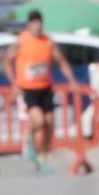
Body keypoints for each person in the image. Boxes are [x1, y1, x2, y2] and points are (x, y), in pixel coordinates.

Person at [6, 10, 63, 174]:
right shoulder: (21, 41)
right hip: (28, 89)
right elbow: (6, 62)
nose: (37, 26)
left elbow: (60, 60)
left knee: (50, 123)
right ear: (29, 24)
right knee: (38, 120)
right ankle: (29, 136)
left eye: (39, 22)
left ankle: (43, 156)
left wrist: (72, 80)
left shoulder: (47, 41)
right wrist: (14, 84)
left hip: (45, 87)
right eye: (34, 22)